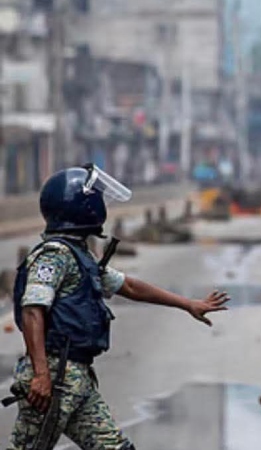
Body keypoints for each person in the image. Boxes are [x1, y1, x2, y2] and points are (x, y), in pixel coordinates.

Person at [5, 164, 229, 450]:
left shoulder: (80, 257)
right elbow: (32, 310)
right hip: (53, 377)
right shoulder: (53, 256)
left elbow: (130, 287)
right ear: (81, 205)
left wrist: (188, 304)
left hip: (76, 378)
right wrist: (41, 375)